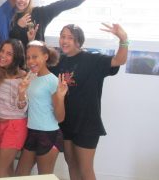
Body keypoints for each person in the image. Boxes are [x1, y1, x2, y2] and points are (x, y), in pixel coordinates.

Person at [50, 23, 128, 180]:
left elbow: (119, 60)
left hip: (87, 124)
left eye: (70, 38)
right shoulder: (59, 61)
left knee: (85, 169)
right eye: (62, 36)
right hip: (65, 123)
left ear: (79, 41)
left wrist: (123, 39)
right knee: (71, 164)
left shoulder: (93, 59)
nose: (64, 41)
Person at [16, 40, 68, 176]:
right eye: (28, 57)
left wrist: (61, 98)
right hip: (32, 131)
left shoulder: (52, 81)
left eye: (35, 56)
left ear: (45, 57)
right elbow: (23, 106)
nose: (30, 61)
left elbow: (60, 118)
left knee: (44, 177)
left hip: (49, 134)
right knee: (20, 174)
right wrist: (21, 92)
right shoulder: (30, 77)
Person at [0, 39, 30, 178]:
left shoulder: (23, 76)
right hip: (1, 126)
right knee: (7, 171)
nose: (3, 55)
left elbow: (23, 107)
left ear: (16, 58)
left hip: (15, 126)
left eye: (9, 54)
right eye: (2, 51)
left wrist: (21, 93)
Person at [9, 0, 91, 47]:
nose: (22, 0)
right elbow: (9, 40)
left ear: (30, 0)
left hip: (37, 57)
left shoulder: (39, 13)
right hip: (17, 60)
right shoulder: (8, 15)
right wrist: (18, 26)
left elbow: (59, 5)